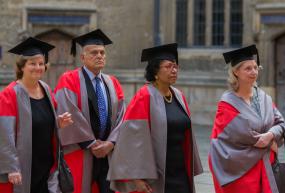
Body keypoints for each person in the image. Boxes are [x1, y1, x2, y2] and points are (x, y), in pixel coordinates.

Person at [108, 43, 203, 193]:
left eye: (176, 66)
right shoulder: (144, 96)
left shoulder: (178, 96)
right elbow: (129, 140)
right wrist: (136, 178)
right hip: (156, 175)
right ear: (155, 72)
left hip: (180, 171)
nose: (174, 70)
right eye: (169, 66)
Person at [54, 29, 125, 193]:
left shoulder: (113, 82)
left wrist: (111, 143)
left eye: (102, 52)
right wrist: (92, 144)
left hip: (109, 152)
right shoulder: (69, 79)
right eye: (94, 52)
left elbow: (122, 117)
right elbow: (69, 113)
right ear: (82, 57)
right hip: (81, 151)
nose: (99, 56)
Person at [208, 45, 285, 193]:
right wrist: (270, 144)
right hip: (241, 172)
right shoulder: (227, 103)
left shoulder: (264, 98)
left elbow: (281, 123)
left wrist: (270, 135)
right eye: (248, 68)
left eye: (255, 67)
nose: (254, 72)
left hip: (266, 167)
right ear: (236, 71)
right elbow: (243, 134)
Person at [0, 37, 73, 193]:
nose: (38, 67)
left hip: (47, 163)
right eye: (32, 63)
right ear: (22, 67)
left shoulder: (45, 88)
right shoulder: (9, 94)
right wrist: (11, 167)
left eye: (41, 63)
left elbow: (43, 121)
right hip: (24, 165)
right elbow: (4, 135)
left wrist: (58, 122)